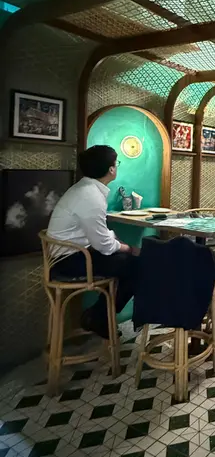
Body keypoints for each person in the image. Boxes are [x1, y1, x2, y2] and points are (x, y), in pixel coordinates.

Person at [47, 145, 139, 339]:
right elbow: (103, 245)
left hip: (71, 254)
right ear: (111, 169)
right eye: (116, 163)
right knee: (136, 265)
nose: (116, 166)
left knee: (129, 263)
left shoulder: (85, 189)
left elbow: (100, 235)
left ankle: (99, 315)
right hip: (67, 261)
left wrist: (118, 243)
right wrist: (129, 248)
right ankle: (98, 316)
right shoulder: (90, 196)